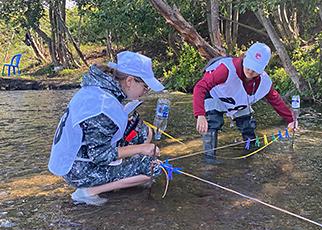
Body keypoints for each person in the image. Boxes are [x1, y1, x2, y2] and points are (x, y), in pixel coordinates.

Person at [48, 51, 165, 206]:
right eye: (145, 87)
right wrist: (141, 149)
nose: (145, 92)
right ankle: (88, 192)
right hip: (77, 168)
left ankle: (122, 174)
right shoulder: (103, 105)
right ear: (129, 81)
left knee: (144, 132)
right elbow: (100, 155)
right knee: (151, 168)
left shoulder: (99, 88)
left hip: (79, 154)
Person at [192, 42, 296, 163]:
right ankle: (209, 159)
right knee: (214, 122)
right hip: (215, 94)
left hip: (238, 99)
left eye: (255, 69)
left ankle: (251, 153)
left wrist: (291, 120)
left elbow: (275, 100)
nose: (251, 71)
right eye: (249, 66)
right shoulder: (226, 69)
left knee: (247, 125)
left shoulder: (264, 82)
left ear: (263, 69)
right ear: (245, 58)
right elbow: (200, 87)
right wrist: (200, 115)